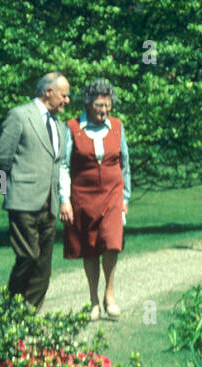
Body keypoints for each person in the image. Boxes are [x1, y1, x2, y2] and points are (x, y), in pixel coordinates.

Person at [0, 72, 71, 310]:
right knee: (28, 256)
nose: (67, 101)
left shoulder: (59, 126)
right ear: (49, 91)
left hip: (49, 203)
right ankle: (10, 308)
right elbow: (2, 157)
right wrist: (6, 193)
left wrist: (62, 199)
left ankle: (29, 313)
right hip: (22, 201)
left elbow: (59, 165)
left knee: (43, 264)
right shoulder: (19, 115)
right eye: (64, 95)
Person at [60, 78, 131, 319]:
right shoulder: (72, 128)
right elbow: (64, 167)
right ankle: (93, 301)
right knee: (89, 248)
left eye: (108, 105)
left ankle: (109, 295)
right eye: (100, 105)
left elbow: (125, 166)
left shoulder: (118, 127)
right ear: (89, 104)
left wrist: (126, 198)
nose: (104, 110)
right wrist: (64, 199)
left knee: (112, 243)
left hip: (112, 196)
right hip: (83, 198)